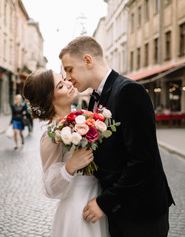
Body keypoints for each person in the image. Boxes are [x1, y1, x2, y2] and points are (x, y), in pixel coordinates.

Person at [59, 36, 175, 237]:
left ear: (88, 60)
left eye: (69, 69)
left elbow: (143, 161)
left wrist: (105, 202)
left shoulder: (129, 91)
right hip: (119, 212)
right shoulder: (95, 99)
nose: (67, 77)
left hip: (141, 213)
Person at [22, 69, 109, 237]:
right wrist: (70, 166)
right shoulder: (51, 136)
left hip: (98, 198)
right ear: (50, 98)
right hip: (77, 208)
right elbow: (50, 188)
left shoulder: (84, 117)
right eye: (61, 85)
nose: (69, 83)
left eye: (63, 79)